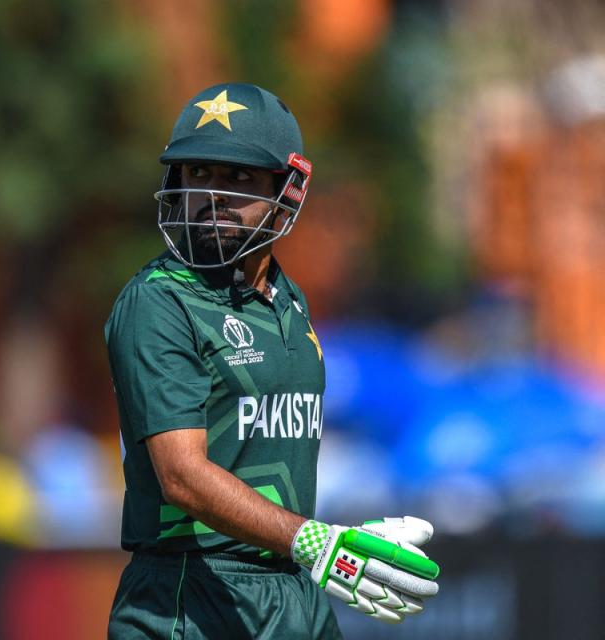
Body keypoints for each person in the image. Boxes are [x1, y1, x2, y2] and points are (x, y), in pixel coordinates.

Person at [104, 83, 440, 639]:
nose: (211, 194)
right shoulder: (159, 300)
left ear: (289, 189)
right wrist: (315, 541)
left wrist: (330, 542)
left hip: (292, 588)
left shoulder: (288, 298)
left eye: (239, 178)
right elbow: (182, 477)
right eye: (198, 173)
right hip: (191, 597)